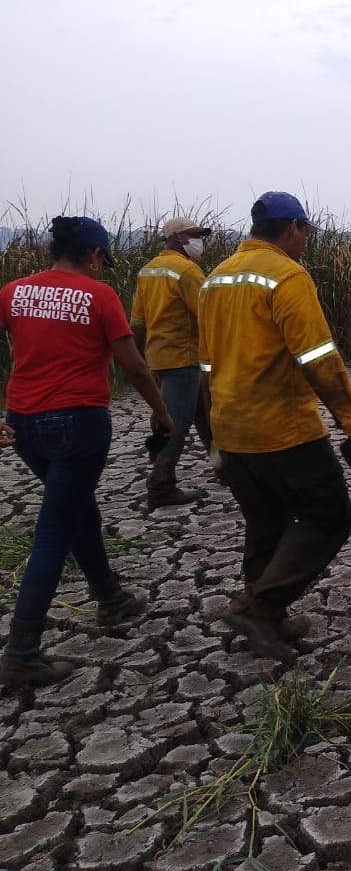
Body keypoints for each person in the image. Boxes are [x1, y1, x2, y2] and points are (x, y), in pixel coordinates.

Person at [0, 216, 175, 687]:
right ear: (95, 255)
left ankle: (110, 597)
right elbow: (133, 366)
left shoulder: (13, 291)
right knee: (54, 532)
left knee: (78, 509)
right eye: (102, 259)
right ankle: (21, 651)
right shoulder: (99, 296)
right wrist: (161, 411)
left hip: (23, 424)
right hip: (77, 423)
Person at [197, 192, 351, 661]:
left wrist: (212, 431)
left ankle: (267, 621)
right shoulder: (287, 275)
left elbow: (205, 365)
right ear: (293, 227)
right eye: (305, 231)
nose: (305, 239)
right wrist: (350, 418)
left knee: (266, 522)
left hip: (231, 425)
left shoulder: (214, 279)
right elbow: (317, 357)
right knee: (328, 516)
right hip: (282, 427)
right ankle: (259, 606)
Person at [130, 216, 216, 509]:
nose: (199, 240)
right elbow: (209, 313)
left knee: (205, 414)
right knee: (176, 423)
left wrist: (139, 357)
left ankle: (227, 467)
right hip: (184, 356)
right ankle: (160, 485)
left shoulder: (148, 270)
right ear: (178, 237)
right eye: (195, 235)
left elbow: (137, 322)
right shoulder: (186, 270)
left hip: (159, 356)